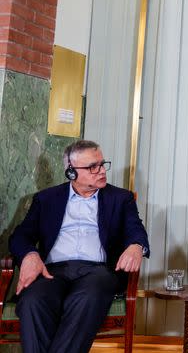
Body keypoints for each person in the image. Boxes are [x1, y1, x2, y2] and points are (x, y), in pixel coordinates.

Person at [9, 139, 150, 353]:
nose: (102, 171)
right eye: (93, 167)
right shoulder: (47, 199)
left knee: (87, 297)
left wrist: (136, 246)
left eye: (102, 164)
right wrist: (30, 255)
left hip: (98, 272)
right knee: (32, 301)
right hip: (53, 272)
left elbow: (135, 229)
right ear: (71, 173)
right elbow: (20, 236)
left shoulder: (121, 199)